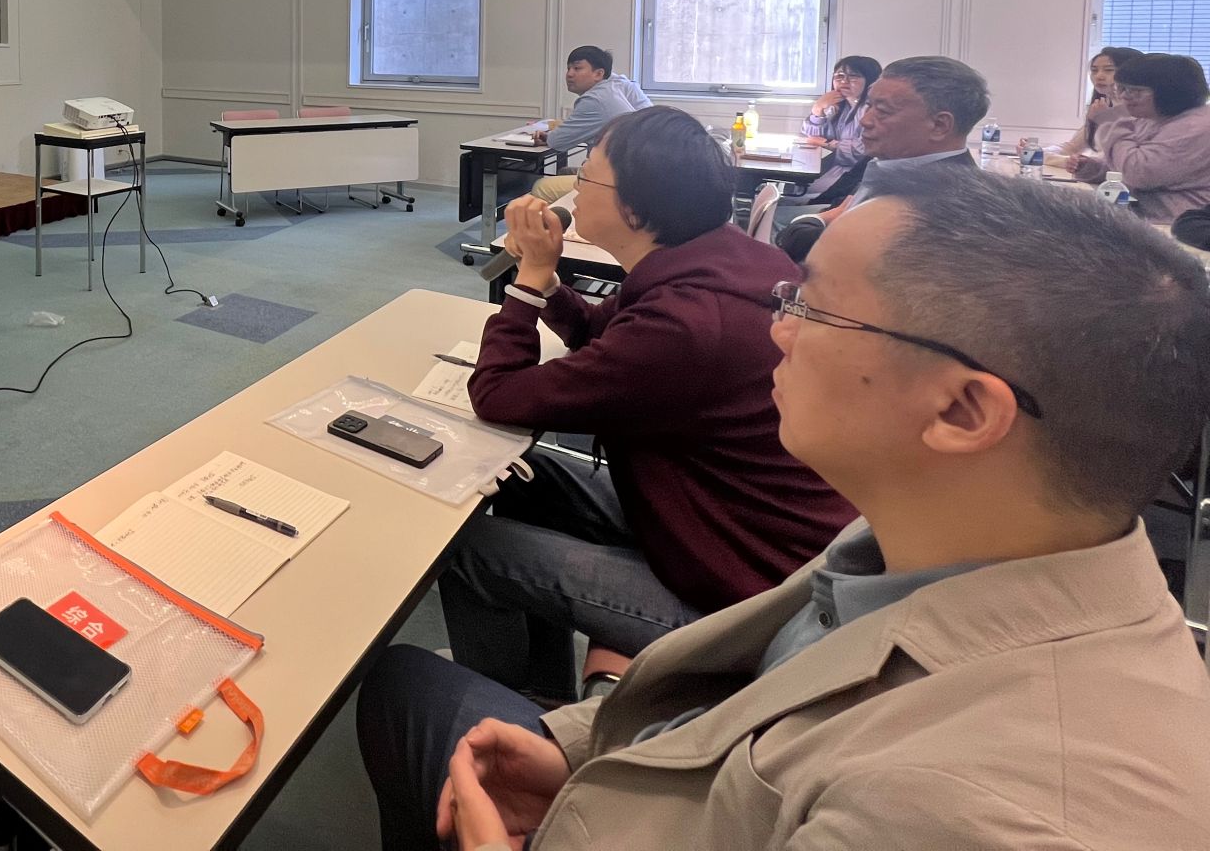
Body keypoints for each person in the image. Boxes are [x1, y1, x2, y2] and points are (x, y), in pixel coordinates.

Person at [360, 170, 1210, 850]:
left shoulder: (967, 813)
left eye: (813, 307)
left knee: (403, 685)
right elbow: (761, 695)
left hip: (690, 595)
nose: (777, 331)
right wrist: (582, 744)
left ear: (961, 411)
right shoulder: (928, 537)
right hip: (652, 739)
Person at [449, 107, 856, 705]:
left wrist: (530, 277)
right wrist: (554, 285)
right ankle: (541, 682)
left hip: (744, 595)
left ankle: (512, 713)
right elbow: (598, 333)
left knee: (467, 552)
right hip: (714, 516)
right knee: (519, 477)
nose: (574, 190)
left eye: (586, 176)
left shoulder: (684, 325)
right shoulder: (728, 258)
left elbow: (497, 396)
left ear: (634, 211)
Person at [772, 55, 987, 255]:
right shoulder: (894, 163)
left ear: (939, 125)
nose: (865, 120)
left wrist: (812, 222)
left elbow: (830, 251)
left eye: (883, 111)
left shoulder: (940, 201)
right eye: (869, 106)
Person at [1073, 51, 1210, 221]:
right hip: (1147, 217)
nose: (1124, 96)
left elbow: (1138, 173)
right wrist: (1092, 168)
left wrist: (1111, 122)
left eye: (1136, 91)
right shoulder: (1155, 117)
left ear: (1170, 92)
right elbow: (1125, 164)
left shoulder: (1196, 128)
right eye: (1122, 89)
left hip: (1179, 225)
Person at [519, 47, 651, 205]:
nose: (569, 74)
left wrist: (549, 136)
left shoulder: (594, 100)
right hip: (636, 173)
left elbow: (557, 141)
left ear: (599, 74)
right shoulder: (619, 85)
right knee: (565, 172)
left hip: (618, 179)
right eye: (568, 68)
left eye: (577, 68)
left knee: (542, 187)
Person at [1049, 45, 1143, 160]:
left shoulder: (1142, 112)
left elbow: (1124, 159)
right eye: (1094, 70)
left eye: (1109, 70)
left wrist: (1105, 119)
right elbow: (1072, 147)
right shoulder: (1101, 106)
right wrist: (1037, 151)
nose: (1099, 76)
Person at [799, 55, 880, 168]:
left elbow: (862, 152)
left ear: (871, 81)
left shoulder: (873, 110)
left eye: (853, 76)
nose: (844, 81)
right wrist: (818, 110)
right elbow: (810, 139)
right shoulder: (836, 105)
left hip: (858, 172)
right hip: (833, 167)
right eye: (839, 76)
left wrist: (827, 144)